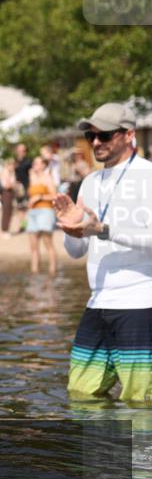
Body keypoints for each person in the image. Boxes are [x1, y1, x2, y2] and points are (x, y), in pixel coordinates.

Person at [53, 102, 152, 404]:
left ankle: (140, 453)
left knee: (141, 401)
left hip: (140, 304)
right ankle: (105, 452)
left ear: (128, 135)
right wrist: (71, 230)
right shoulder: (90, 182)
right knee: (81, 394)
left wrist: (104, 230)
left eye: (105, 135)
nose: (96, 142)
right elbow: (77, 250)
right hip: (98, 303)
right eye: (91, 136)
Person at [26, 156, 57, 275]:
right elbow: (30, 195)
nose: (34, 165)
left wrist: (40, 197)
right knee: (33, 246)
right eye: (34, 163)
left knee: (47, 243)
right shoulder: (33, 178)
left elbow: (54, 196)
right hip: (32, 212)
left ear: (44, 165)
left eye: (37, 163)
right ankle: (34, 272)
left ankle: (52, 271)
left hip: (45, 211)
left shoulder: (47, 178)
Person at [14, 142, 32, 231]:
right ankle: (22, 225)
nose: (21, 152)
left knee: (27, 207)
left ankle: (27, 225)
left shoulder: (28, 161)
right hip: (18, 188)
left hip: (26, 186)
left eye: (23, 150)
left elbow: (31, 175)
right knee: (19, 207)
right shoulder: (15, 161)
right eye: (20, 150)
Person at [0, 158, 18, 238]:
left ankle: (6, 229)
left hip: (10, 193)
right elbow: (7, 185)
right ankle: (4, 230)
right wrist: (14, 185)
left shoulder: (11, 172)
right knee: (6, 211)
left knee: (9, 212)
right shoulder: (5, 172)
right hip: (6, 193)